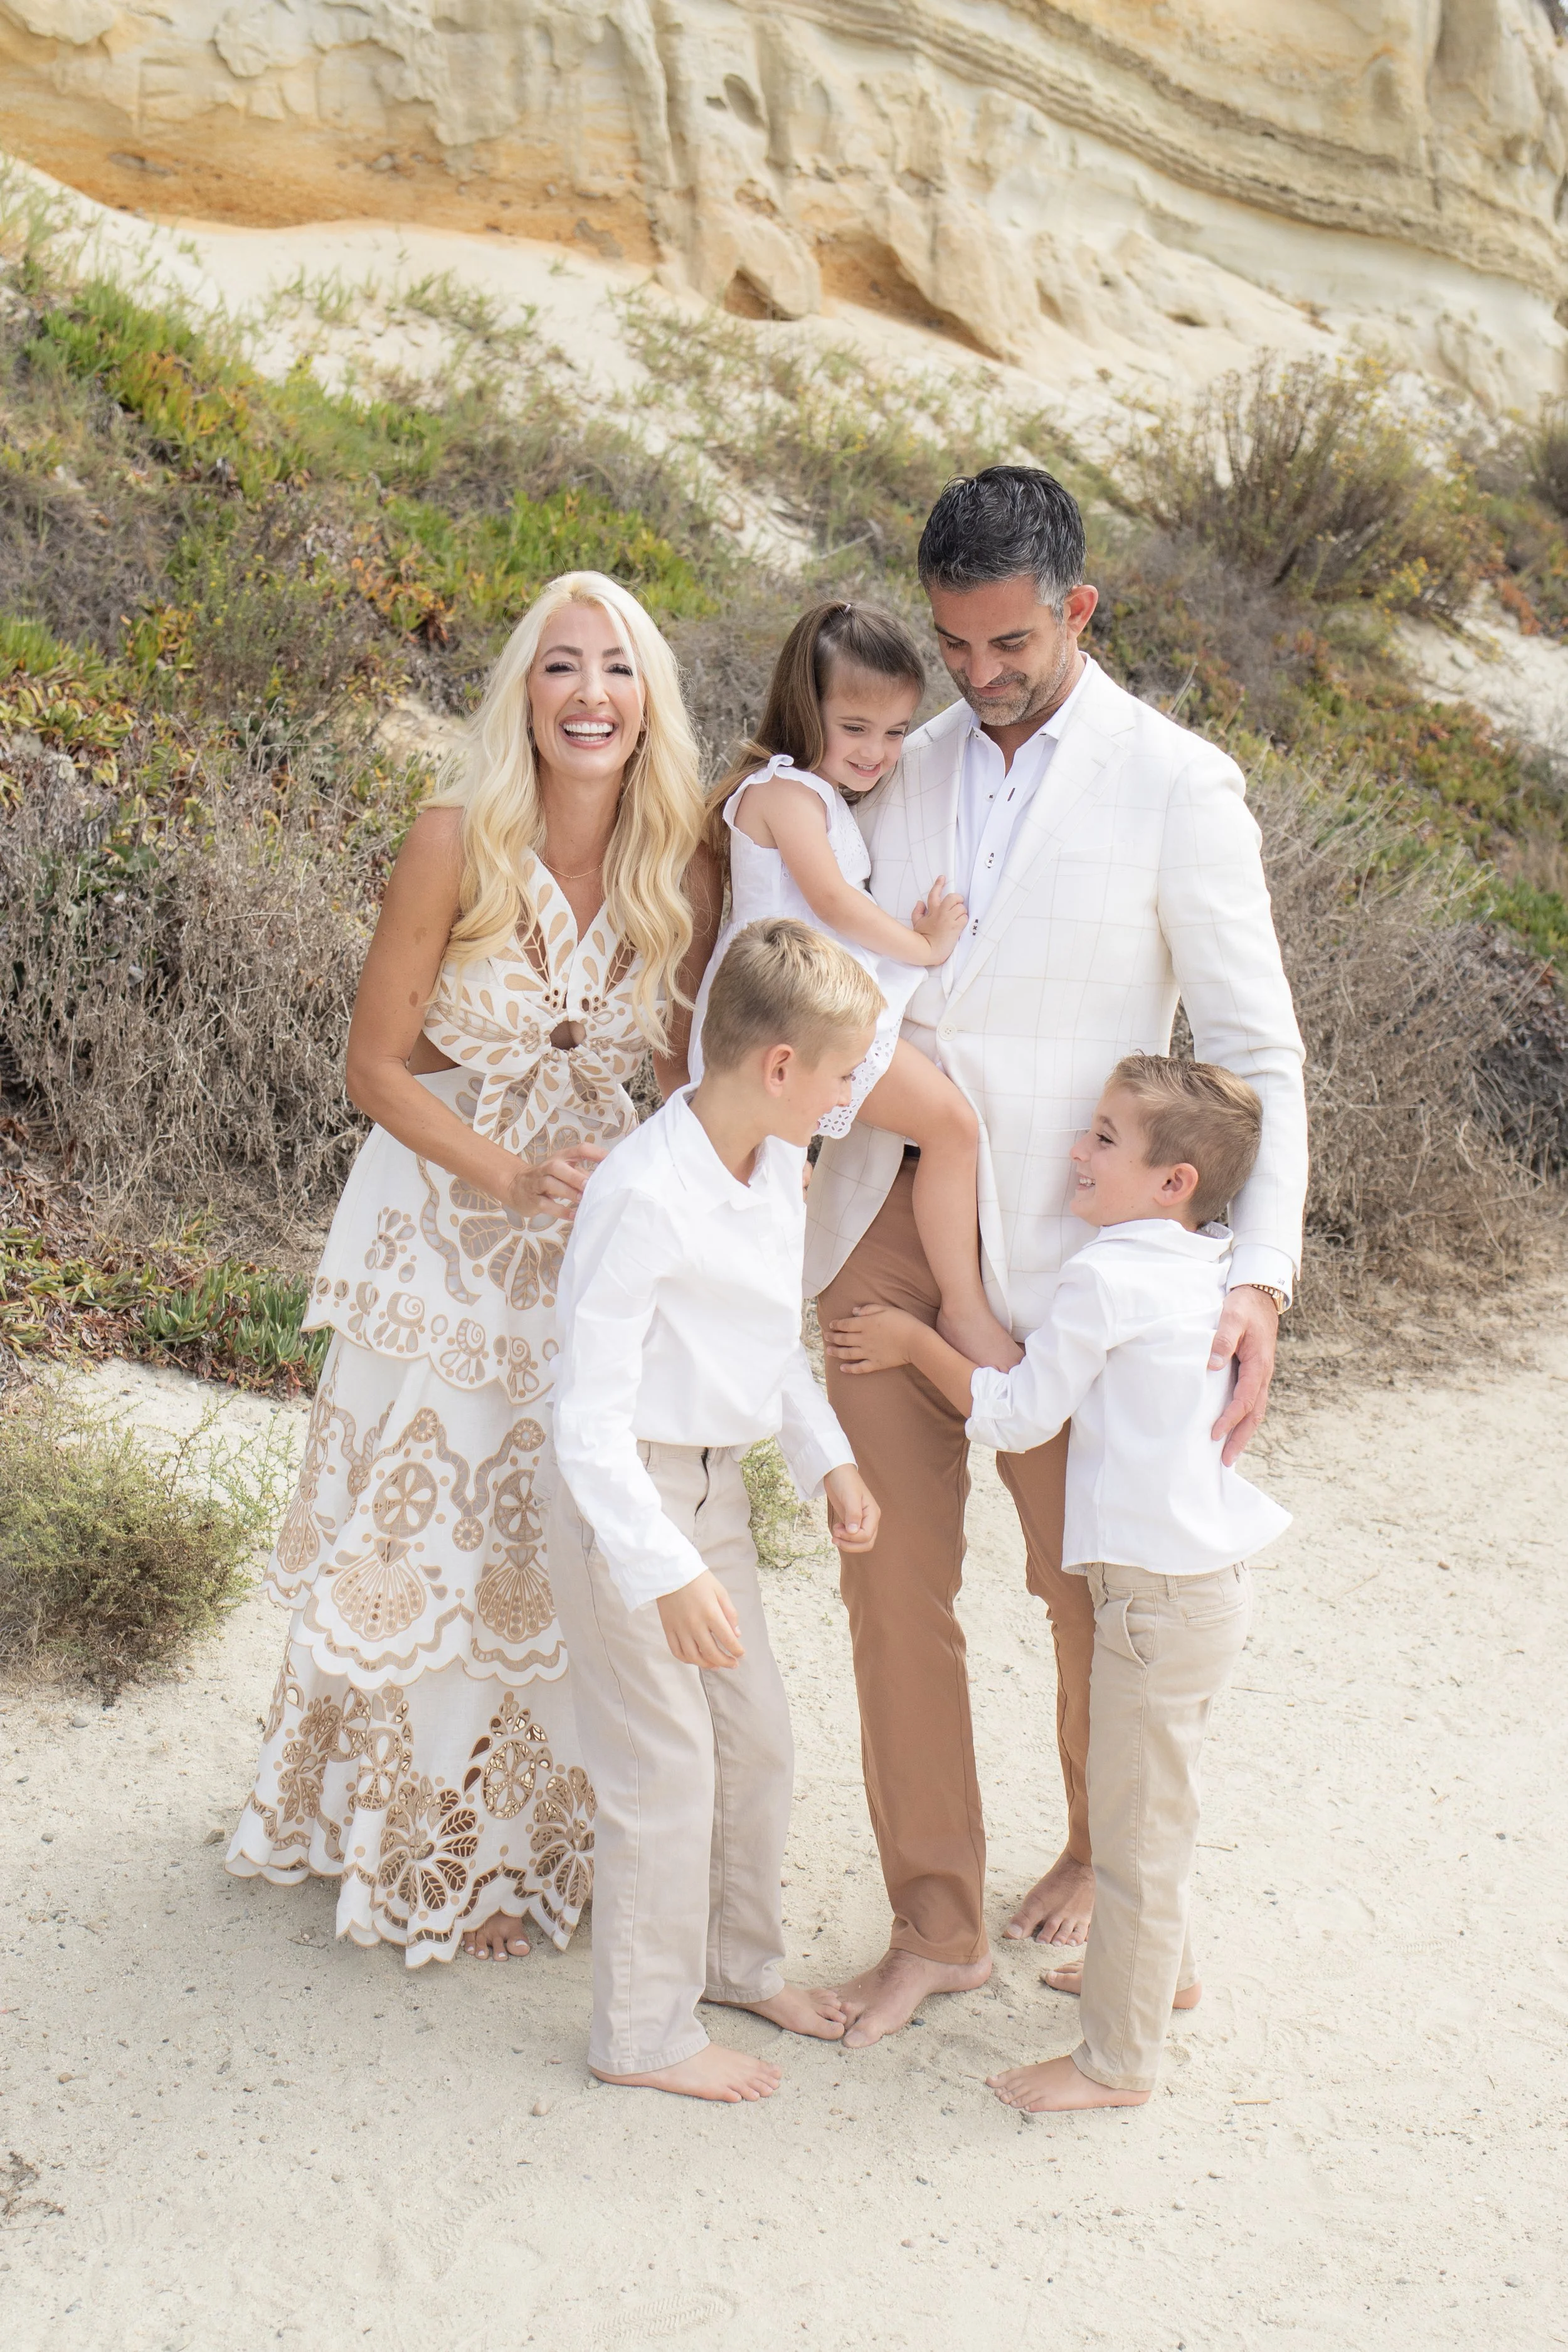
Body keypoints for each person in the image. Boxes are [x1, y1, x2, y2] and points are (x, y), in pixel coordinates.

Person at [805, 465, 1308, 2046]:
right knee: (891, 1588)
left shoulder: (1180, 783)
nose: (976, 675)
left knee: (1080, 1593)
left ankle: (1108, 1856)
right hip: (883, 1222)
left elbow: (1252, 1051)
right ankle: (934, 1923)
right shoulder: (904, 758)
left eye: (1007, 643)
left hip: (1074, 1259)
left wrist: (1256, 1274)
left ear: (1076, 609)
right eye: (954, 646)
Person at [226, 571, 718, 1966]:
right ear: (522, 693)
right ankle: (405, 1840)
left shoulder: (677, 863)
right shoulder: (455, 841)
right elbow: (372, 1067)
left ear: (648, 703)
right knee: (433, 1539)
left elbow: (685, 1081)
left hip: (588, 1248)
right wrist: (505, 1173)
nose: (588, 696)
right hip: (441, 1239)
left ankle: (523, 1845)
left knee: (551, 1535)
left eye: (616, 671)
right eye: (559, 667)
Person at [827, 1054, 1290, 2109]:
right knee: (1152, 1801)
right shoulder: (1203, 1264)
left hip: (1154, 1599)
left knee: (1134, 1829)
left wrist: (915, 1341)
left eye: (1104, 1140)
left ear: (1172, 1182)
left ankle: (1116, 2066)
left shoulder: (1104, 1275)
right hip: (1198, 1587)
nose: (1076, 1152)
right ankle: (1164, 1975)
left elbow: (1018, 1414)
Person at [550, 918, 882, 2102]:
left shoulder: (778, 1169)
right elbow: (583, 1420)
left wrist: (826, 1458)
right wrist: (663, 1568)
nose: (854, 1096)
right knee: (667, 1764)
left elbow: (765, 1342)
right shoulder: (644, 1194)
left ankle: (737, 1964)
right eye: (846, 1074)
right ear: (779, 1067)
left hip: (715, 1490)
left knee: (756, 1740)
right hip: (624, 1497)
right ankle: (641, 2033)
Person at [688, 601, 1015, 1369]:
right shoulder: (782, 794)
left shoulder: (817, 796)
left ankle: (736, 1348)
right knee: (951, 1128)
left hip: (799, 1008)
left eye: (897, 731)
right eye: (856, 727)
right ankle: (964, 1312)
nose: (878, 751)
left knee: (764, 1190)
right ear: (808, 709)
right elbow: (832, 902)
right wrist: (925, 945)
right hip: (788, 1014)